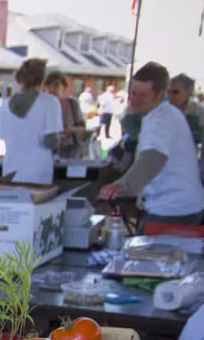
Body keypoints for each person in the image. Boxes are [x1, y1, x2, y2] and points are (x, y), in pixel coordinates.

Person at [99, 62, 204, 232]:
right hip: (181, 207)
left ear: (159, 95)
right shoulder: (163, 114)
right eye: (133, 93)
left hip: (174, 211)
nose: (135, 99)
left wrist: (122, 185)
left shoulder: (160, 119)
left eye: (143, 94)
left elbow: (153, 158)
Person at [0, 59, 63, 184]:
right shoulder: (50, 103)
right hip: (39, 170)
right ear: (43, 79)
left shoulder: (5, 104)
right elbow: (51, 142)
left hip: (11, 168)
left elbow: (3, 137)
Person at [44, 71, 87, 159]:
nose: (52, 89)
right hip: (49, 153)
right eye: (48, 85)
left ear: (63, 87)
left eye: (56, 85)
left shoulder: (72, 104)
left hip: (71, 152)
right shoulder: (43, 106)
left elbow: (82, 129)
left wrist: (70, 130)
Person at [168, 73, 204, 145]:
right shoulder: (161, 110)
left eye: (175, 92)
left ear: (189, 93)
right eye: (168, 92)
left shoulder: (199, 111)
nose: (170, 95)